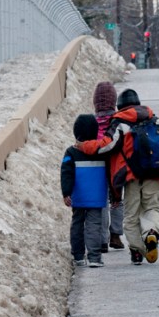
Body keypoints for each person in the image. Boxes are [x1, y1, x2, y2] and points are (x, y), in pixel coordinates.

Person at [75, 89, 159, 265]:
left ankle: (137, 252)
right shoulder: (155, 119)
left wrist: (84, 146)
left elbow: (105, 146)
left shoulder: (120, 122)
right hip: (155, 173)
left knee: (131, 216)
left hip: (132, 176)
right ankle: (151, 233)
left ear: (120, 106)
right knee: (152, 209)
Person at [60, 114, 108, 268]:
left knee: (77, 223)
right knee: (94, 225)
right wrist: (114, 194)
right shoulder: (102, 151)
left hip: (78, 196)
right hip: (96, 195)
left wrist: (66, 193)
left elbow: (66, 173)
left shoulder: (71, 153)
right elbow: (110, 172)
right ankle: (94, 257)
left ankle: (79, 256)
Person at [92, 81, 125, 251]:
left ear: (95, 102)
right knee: (117, 198)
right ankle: (116, 235)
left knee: (102, 201)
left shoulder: (92, 122)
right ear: (113, 100)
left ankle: (103, 239)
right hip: (116, 166)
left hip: (98, 166)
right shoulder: (118, 121)